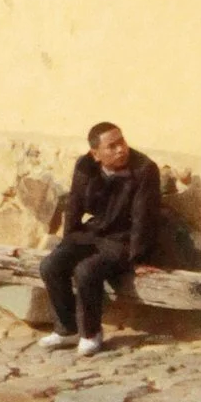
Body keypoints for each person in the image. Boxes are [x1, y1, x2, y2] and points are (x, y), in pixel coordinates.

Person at [39, 121, 163, 355]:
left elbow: (143, 217)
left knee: (87, 270)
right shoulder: (85, 165)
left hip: (124, 241)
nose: (121, 149)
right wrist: (69, 242)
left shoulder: (144, 169)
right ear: (96, 154)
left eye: (122, 142)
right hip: (94, 233)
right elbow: (74, 204)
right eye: (112, 146)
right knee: (50, 265)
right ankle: (67, 329)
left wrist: (139, 259)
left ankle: (90, 334)